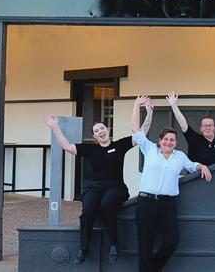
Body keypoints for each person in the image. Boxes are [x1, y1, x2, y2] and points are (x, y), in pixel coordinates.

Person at [43, 105, 152, 264]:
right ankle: (84, 248)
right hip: (95, 187)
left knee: (107, 205)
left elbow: (141, 134)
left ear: (108, 129)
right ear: (94, 136)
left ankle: (114, 244)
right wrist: (54, 127)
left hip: (116, 187)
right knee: (88, 210)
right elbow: (67, 146)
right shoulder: (90, 149)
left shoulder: (119, 145)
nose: (100, 132)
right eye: (96, 131)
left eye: (102, 128)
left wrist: (149, 114)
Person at [131, 95, 213, 272]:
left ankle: (152, 269)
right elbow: (136, 129)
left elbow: (192, 166)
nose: (168, 142)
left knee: (171, 241)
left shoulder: (180, 156)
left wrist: (202, 165)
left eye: (172, 140)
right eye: (165, 139)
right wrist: (137, 105)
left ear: (176, 143)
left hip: (168, 204)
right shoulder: (149, 149)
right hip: (146, 202)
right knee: (145, 244)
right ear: (160, 140)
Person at [166, 91, 215, 165]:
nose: (207, 127)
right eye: (205, 125)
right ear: (201, 129)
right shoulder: (195, 140)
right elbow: (183, 124)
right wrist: (173, 105)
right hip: (199, 176)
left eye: (210, 125)